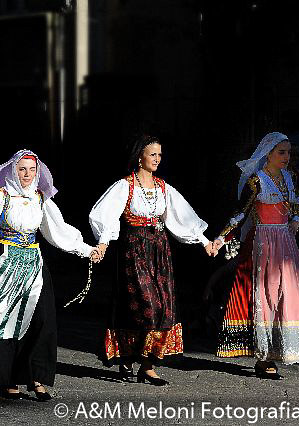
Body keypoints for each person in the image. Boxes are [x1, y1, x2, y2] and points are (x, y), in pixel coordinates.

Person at [0, 149, 95, 401]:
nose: (27, 174)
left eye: (32, 170)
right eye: (22, 169)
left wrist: (86, 250)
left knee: (41, 318)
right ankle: (6, 379)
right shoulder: (1, 197)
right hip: (6, 261)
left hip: (34, 262)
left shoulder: (41, 199)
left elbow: (58, 230)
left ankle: (36, 378)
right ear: (13, 171)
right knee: (0, 320)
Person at [89, 134, 217, 386]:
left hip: (159, 251)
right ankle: (127, 357)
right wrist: (103, 244)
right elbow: (106, 215)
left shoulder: (163, 187)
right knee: (142, 306)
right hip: (133, 250)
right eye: (152, 154)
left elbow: (183, 218)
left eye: (160, 154)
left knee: (162, 307)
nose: (157, 158)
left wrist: (205, 242)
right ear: (140, 157)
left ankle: (147, 365)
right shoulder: (124, 186)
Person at [213, 132, 299, 378]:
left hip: (286, 242)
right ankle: (263, 356)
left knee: (290, 294)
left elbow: (296, 205)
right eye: (281, 152)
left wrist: (296, 218)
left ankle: (279, 350)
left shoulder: (290, 177)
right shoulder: (258, 181)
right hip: (264, 243)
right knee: (266, 295)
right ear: (269, 154)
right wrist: (221, 238)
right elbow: (240, 213)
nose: (286, 157)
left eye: (288, 152)